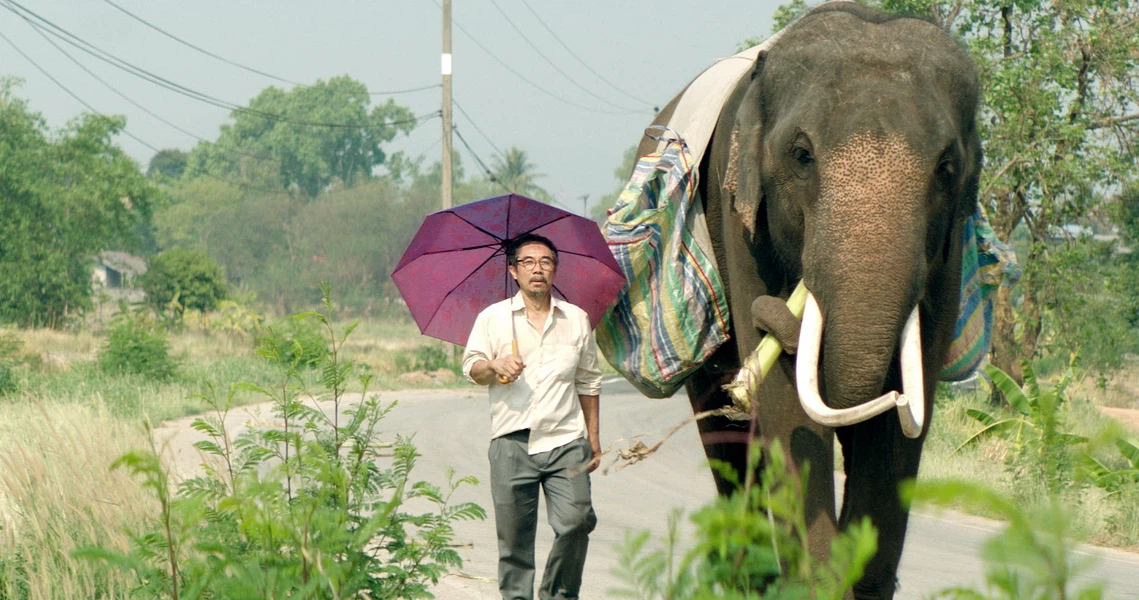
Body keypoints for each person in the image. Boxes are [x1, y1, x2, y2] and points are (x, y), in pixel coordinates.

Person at [462, 232, 602, 600]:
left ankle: (557, 594)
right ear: (513, 270)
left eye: (546, 262)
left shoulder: (576, 319)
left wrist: (594, 439)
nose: (537, 269)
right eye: (528, 263)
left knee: (576, 522)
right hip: (512, 443)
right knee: (515, 546)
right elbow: (472, 369)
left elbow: (588, 382)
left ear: (555, 271)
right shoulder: (492, 319)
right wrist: (494, 365)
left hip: (565, 442)